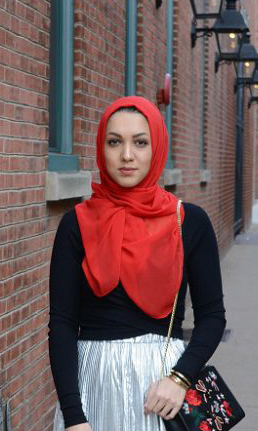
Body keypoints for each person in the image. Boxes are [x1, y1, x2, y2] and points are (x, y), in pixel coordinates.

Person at [48, 96, 226, 431]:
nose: (127, 155)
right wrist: (74, 416)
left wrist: (180, 378)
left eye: (140, 142)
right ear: (102, 148)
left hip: (162, 390)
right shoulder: (76, 224)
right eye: (115, 142)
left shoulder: (189, 222)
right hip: (93, 385)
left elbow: (213, 317)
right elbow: (62, 323)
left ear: (157, 147)